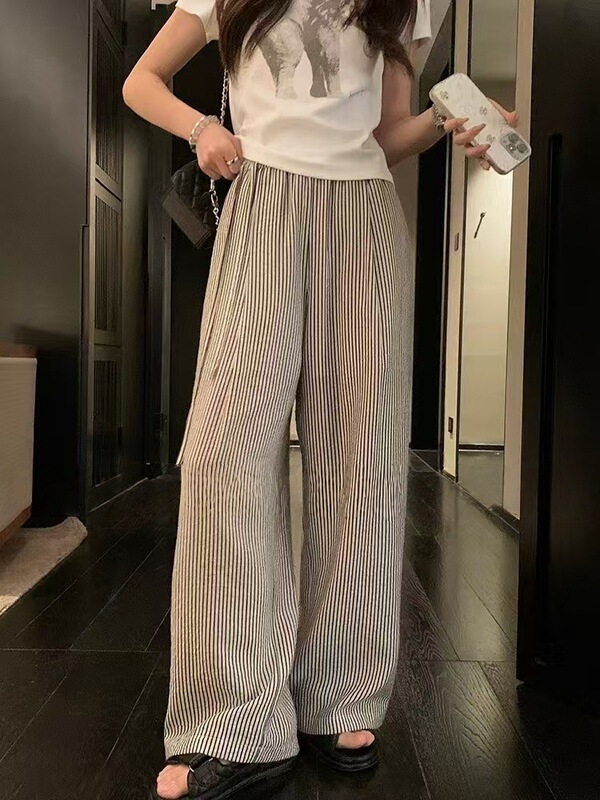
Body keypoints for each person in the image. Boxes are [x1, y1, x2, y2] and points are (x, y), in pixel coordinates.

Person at [123, 1, 517, 797]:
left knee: (361, 460)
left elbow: (387, 134)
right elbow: (142, 81)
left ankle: (341, 694)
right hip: (261, 200)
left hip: (362, 212)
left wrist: (448, 120)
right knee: (224, 457)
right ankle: (233, 723)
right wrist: (202, 128)